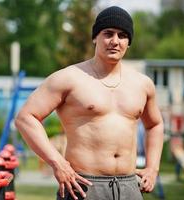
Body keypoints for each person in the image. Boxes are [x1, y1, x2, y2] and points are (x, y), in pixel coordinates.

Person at [15, 6, 164, 200]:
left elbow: (155, 125)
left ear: (129, 42)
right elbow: (26, 118)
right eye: (108, 33)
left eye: (122, 35)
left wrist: (153, 168)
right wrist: (57, 163)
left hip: (129, 187)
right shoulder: (68, 78)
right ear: (95, 37)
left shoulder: (142, 84)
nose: (115, 41)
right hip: (83, 185)